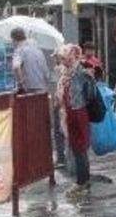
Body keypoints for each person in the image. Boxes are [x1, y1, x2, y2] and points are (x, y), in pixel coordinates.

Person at [11, 26, 64, 167]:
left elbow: (16, 66)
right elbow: (46, 73)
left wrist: (21, 82)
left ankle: (33, 159)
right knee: (43, 126)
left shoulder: (19, 50)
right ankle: (45, 158)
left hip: (29, 93)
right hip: (42, 92)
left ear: (14, 40)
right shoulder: (38, 51)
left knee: (29, 127)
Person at [57, 44, 93, 193]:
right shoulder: (66, 73)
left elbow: (90, 92)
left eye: (64, 58)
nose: (62, 61)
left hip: (78, 111)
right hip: (70, 112)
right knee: (76, 147)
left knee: (79, 147)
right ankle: (83, 180)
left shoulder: (80, 72)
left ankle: (82, 181)